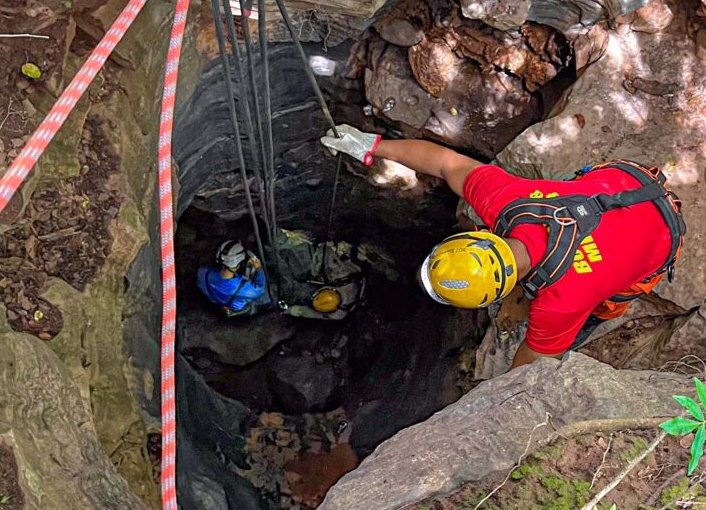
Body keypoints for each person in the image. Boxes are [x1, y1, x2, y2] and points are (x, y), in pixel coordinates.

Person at [321, 126, 686, 369]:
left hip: (665, 238)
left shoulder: (562, 302)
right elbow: (446, 163)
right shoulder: (509, 200)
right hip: (631, 183)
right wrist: (371, 145)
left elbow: (531, 367)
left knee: (605, 306)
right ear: (480, 235)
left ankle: (603, 310)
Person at [196, 239, 271, 316]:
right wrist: (259, 268)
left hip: (214, 301)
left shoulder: (204, 273)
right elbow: (260, 289)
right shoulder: (244, 289)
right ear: (237, 266)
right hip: (238, 309)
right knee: (269, 294)